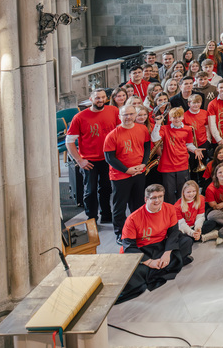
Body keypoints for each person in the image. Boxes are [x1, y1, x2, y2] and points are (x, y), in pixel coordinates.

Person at [116, 184, 192, 304]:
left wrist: (167, 253)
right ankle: (162, 266)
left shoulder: (170, 209)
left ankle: (161, 264)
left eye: (160, 196)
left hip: (160, 244)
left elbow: (173, 233)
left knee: (186, 242)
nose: (158, 200)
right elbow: (129, 246)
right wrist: (150, 262)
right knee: (131, 274)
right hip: (142, 248)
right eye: (154, 198)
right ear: (146, 199)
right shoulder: (133, 218)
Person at [66, 88, 118, 224]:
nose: (100, 100)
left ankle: (106, 214)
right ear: (91, 99)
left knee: (106, 188)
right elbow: (69, 141)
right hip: (89, 160)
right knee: (90, 190)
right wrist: (79, 160)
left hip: (108, 158)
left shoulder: (113, 111)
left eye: (102, 97)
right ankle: (91, 218)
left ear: (106, 99)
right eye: (97, 98)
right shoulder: (80, 117)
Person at [103, 104, 152, 243]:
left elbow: (147, 146)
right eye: (125, 114)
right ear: (120, 117)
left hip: (139, 172)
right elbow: (109, 158)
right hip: (120, 175)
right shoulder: (112, 135)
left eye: (131, 114)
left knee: (137, 204)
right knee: (120, 206)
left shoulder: (142, 129)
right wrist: (126, 170)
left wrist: (144, 163)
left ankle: (137, 229)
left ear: (135, 115)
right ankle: (120, 233)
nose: (128, 117)